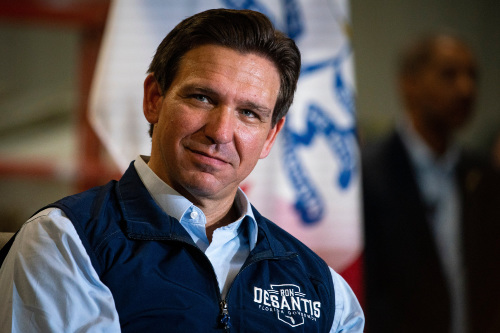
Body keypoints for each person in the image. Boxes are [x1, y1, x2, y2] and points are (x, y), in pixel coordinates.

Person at [0, 8, 364, 332]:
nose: (220, 132)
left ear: (270, 137)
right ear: (154, 99)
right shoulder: (64, 242)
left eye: (249, 113)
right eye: (202, 97)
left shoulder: (326, 292)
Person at [362, 32, 500, 332]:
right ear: (409, 83)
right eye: (449, 75)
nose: (466, 89)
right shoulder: (369, 176)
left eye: (472, 76)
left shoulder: (482, 175)